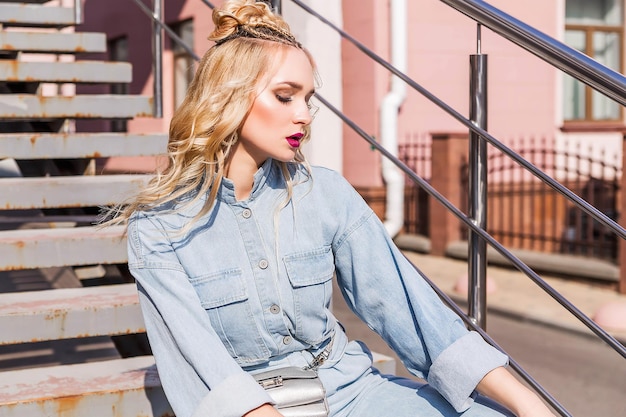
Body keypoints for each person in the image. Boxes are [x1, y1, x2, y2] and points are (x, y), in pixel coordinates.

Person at [110, 1, 557, 416]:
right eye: (285, 96)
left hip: (351, 390)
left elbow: (410, 309)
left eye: (308, 98)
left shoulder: (326, 193)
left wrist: (528, 404)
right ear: (229, 96)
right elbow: (197, 362)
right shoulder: (159, 226)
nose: (304, 114)